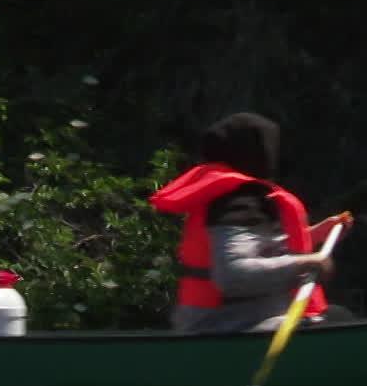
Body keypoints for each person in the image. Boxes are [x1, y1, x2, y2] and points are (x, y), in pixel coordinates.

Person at [149, 112, 351, 334]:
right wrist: (304, 264)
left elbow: (257, 247)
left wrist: (316, 234)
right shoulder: (236, 203)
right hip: (224, 325)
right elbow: (233, 275)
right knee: (338, 323)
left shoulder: (240, 197)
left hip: (246, 318)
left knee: (337, 315)